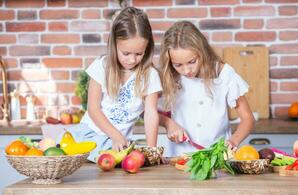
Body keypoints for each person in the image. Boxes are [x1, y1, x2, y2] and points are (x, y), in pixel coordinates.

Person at [60, 7, 162, 162]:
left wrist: (151, 151)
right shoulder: (102, 66)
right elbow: (93, 109)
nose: (132, 60)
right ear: (114, 45)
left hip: (117, 144)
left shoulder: (150, 75)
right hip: (90, 133)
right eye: (126, 53)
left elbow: (150, 114)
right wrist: (115, 135)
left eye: (139, 54)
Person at [158, 21, 255, 157]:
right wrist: (168, 123)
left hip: (217, 156)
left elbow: (247, 118)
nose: (186, 70)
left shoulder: (224, 74)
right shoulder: (169, 75)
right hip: (180, 156)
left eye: (192, 62)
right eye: (178, 65)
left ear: (202, 52)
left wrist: (233, 141)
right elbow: (147, 112)